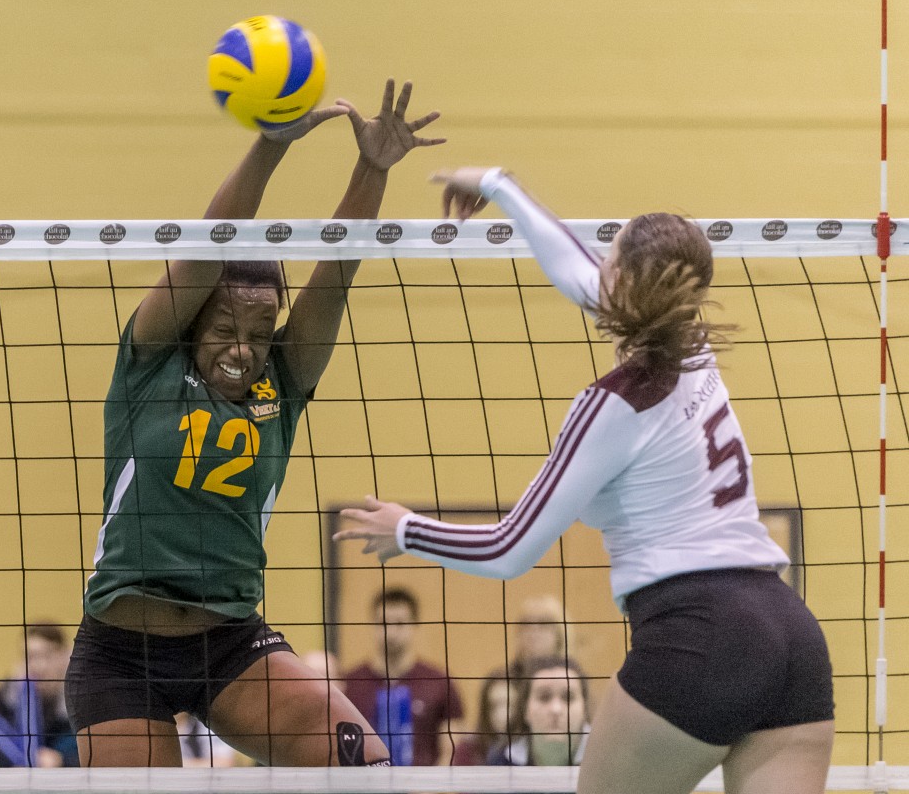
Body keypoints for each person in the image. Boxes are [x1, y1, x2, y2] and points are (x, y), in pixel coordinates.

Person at [337, 167, 835, 794]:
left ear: (619, 281)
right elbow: (580, 274)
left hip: (699, 633)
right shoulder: (694, 347)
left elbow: (508, 550)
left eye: (609, 254)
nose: (595, 265)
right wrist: (498, 185)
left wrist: (406, 530)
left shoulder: (614, 405)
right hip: (791, 635)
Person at [63, 79, 445, 768]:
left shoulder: (282, 383)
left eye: (262, 331)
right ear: (193, 322)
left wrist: (372, 169)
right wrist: (271, 145)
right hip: (122, 655)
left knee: (363, 765)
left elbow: (335, 274)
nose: (243, 349)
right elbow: (209, 245)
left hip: (231, 645)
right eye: (225, 328)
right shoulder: (150, 364)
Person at [342, 587, 465, 765]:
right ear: (372, 625)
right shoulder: (351, 683)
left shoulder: (438, 682)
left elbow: (451, 751)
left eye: (400, 623)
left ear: (414, 625)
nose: (391, 632)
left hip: (423, 781)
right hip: (365, 780)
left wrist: (433, 783)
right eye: (383, 623)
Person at [0, 623, 78, 768]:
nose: (39, 666)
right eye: (30, 657)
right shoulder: (6, 699)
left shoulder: (82, 699)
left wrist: (62, 761)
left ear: (65, 656)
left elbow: (92, 754)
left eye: (47, 655)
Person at [487, 656, 589, 766]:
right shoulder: (500, 759)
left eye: (568, 697)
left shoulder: (602, 756)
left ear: (585, 708)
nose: (556, 709)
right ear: (525, 709)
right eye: (544, 697)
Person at [450, 669, 514, 766]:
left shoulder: (530, 750)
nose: (503, 715)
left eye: (511, 705)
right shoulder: (467, 751)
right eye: (494, 706)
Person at [508, 595, 571, 679]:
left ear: (559, 634)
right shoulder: (502, 679)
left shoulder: (572, 678)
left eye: (543, 623)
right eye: (526, 623)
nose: (533, 630)